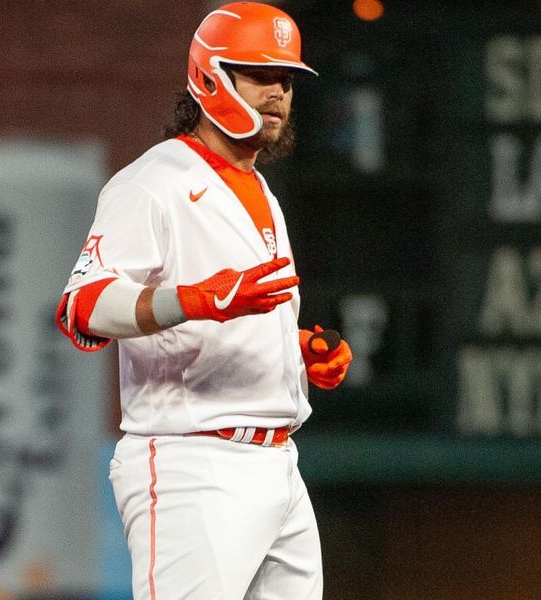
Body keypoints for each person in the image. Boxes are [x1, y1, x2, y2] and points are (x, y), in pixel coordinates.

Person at [56, 3, 353, 598]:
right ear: (212, 75)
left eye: (286, 80)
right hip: (195, 462)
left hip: (278, 462)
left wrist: (295, 352)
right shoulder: (154, 181)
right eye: (260, 75)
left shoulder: (259, 187)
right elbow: (80, 308)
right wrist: (189, 300)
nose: (278, 92)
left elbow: (227, 319)